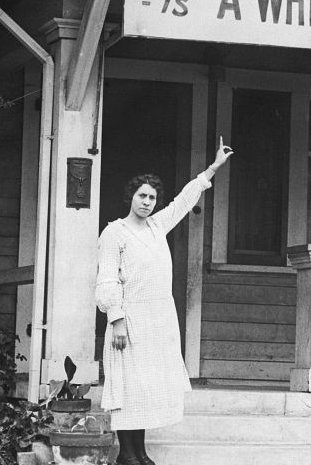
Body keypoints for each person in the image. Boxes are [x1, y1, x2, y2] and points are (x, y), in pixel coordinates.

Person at [95, 137, 235, 465]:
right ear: (130, 197)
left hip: (159, 319)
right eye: (141, 196)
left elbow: (185, 200)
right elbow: (106, 280)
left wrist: (214, 167)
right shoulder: (114, 233)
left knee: (146, 387)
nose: (147, 202)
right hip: (128, 320)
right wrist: (116, 319)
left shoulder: (157, 226)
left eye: (152, 197)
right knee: (129, 386)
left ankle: (140, 453)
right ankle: (126, 455)